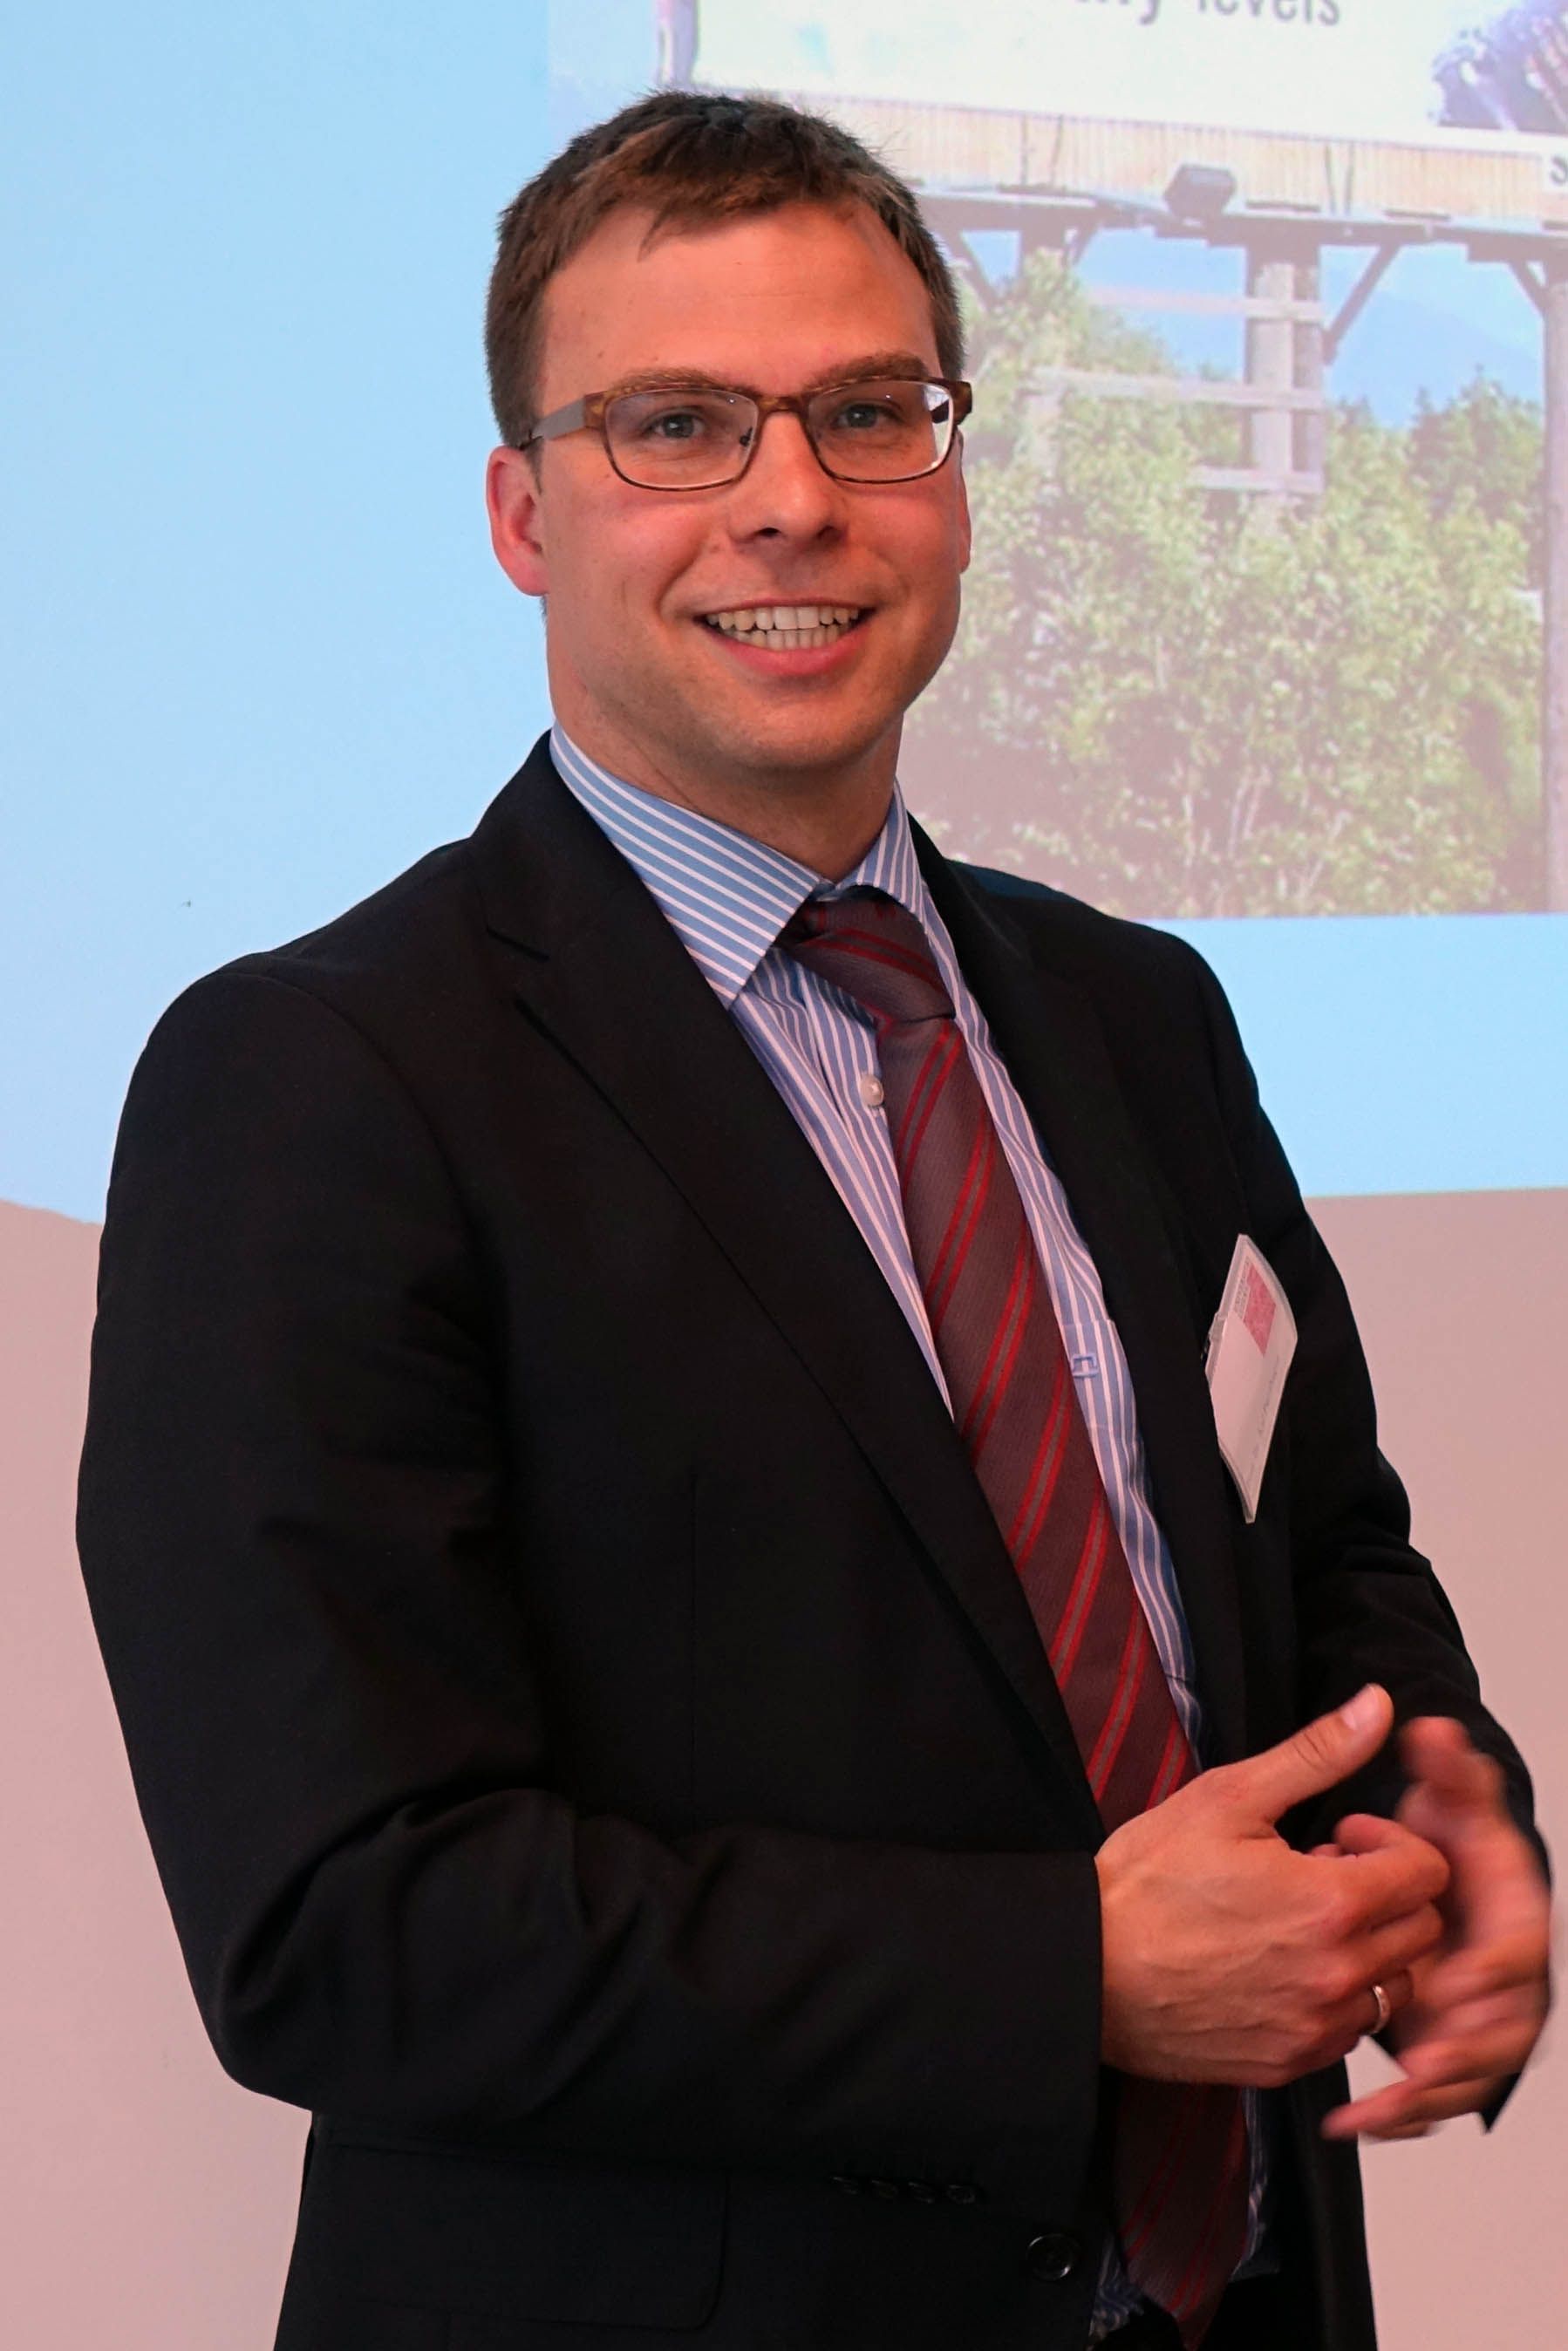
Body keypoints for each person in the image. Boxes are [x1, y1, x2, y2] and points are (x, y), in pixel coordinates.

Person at [76, 91, 1551, 2351]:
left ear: (950, 472)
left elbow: (1321, 1546)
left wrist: (1443, 1806)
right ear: (523, 513)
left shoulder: (1139, 1011)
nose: (793, 496)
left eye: (871, 411)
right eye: (678, 424)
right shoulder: (316, 1086)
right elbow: (343, 1924)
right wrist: (1072, 1977)